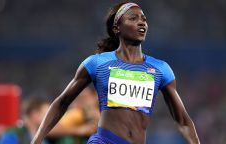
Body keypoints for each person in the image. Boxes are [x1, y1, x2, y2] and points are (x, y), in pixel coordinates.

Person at [31, 2, 200, 144]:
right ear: (117, 27)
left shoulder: (160, 69)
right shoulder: (97, 63)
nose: (141, 23)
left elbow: (183, 121)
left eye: (144, 19)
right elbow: (62, 102)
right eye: (133, 18)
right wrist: (37, 139)